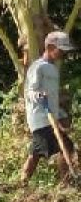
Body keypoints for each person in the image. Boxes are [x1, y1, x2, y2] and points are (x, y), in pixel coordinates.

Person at [21, 31, 76, 185]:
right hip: (40, 117)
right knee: (61, 147)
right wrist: (39, 95)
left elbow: (53, 98)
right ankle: (65, 182)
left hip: (50, 116)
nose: (63, 54)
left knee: (38, 152)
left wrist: (60, 114)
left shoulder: (52, 69)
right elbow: (30, 91)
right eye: (61, 50)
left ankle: (24, 181)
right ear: (51, 47)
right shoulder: (37, 67)